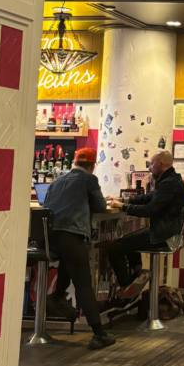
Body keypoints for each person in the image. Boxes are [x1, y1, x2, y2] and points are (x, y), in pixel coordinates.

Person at [44, 147, 116, 350]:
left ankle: (57, 298)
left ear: (75, 162)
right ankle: (99, 334)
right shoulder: (89, 180)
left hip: (50, 238)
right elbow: (101, 207)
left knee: (69, 262)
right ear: (92, 165)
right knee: (83, 284)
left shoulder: (56, 180)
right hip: (71, 235)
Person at [106, 150, 184, 294]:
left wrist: (123, 207)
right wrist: (124, 199)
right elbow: (150, 197)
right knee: (129, 241)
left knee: (114, 249)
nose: (149, 168)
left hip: (164, 236)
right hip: (166, 231)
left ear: (161, 163)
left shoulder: (169, 183)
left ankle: (126, 289)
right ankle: (139, 276)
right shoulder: (172, 180)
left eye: (151, 164)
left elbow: (150, 210)